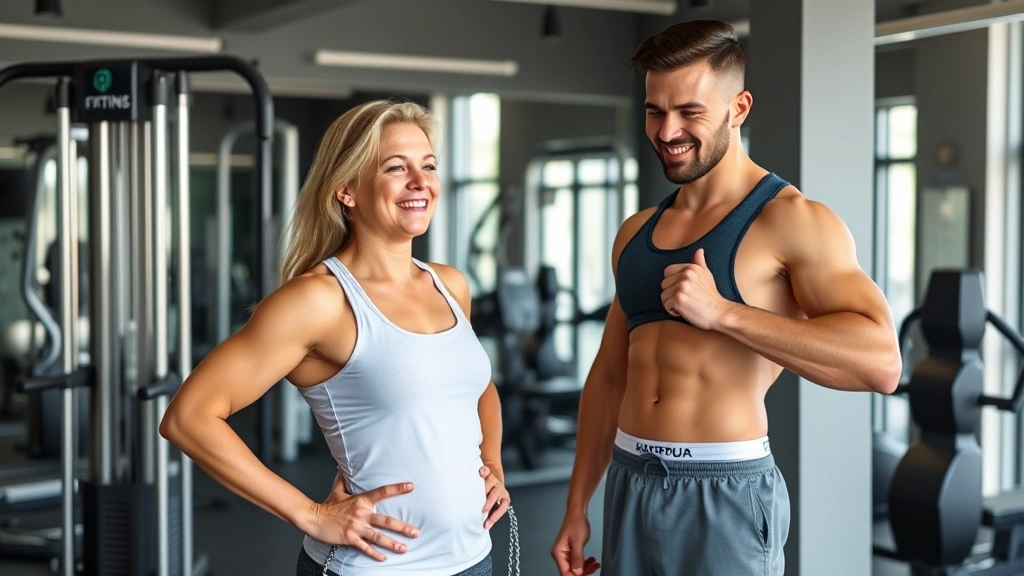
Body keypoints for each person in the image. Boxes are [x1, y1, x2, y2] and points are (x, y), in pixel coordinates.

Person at [550, 20, 903, 576]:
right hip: (629, 481)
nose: (667, 131)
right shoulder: (636, 232)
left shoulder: (792, 220)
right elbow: (611, 376)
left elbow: (881, 362)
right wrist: (576, 505)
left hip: (724, 492)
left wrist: (724, 313)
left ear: (738, 108)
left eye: (689, 112)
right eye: (654, 111)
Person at [160, 100, 509, 576]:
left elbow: (477, 389)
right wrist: (310, 514)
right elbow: (189, 417)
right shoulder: (318, 301)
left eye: (428, 166)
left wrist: (491, 461)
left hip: (472, 559)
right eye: (395, 168)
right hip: (372, 568)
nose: (420, 182)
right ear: (347, 189)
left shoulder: (450, 285)